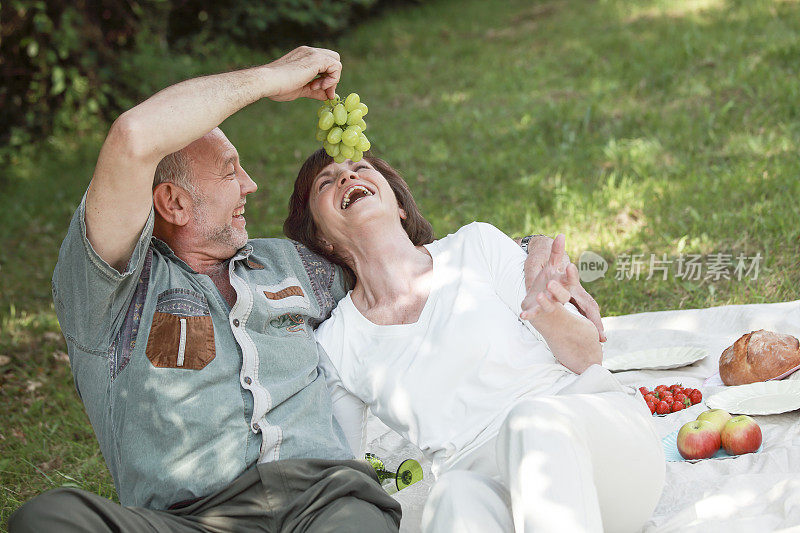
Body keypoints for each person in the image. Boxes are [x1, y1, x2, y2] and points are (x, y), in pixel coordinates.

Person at [8, 46, 603, 532]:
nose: (251, 183)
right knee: (49, 517)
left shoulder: (291, 265)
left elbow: (403, 259)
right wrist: (271, 79)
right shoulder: (112, 291)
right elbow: (134, 136)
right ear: (173, 202)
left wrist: (537, 258)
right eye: (229, 170)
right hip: (188, 520)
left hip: (326, 502)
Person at [283, 150, 666, 533]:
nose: (347, 178)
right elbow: (344, 474)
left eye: (360, 168)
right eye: (327, 181)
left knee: (529, 421)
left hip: (600, 452)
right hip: (504, 501)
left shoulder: (475, 245)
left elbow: (589, 358)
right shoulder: (336, 344)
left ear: (400, 205)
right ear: (321, 238)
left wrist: (547, 313)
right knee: (451, 497)